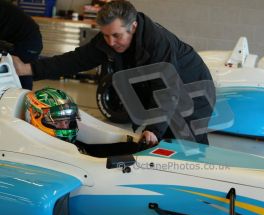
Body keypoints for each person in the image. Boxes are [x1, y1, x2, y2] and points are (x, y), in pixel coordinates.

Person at [13, 0, 215, 146]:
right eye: (106, 35)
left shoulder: (157, 42)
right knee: (159, 146)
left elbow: (166, 89)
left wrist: (153, 129)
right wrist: (29, 69)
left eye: (116, 35)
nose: (110, 42)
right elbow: (75, 60)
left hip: (192, 93)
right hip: (165, 94)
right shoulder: (110, 40)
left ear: (133, 27)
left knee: (186, 148)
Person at [0, 0, 43, 90]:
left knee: (21, 75)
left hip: (28, 42)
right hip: (27, 40)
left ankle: (24, 101)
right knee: (20, 76)